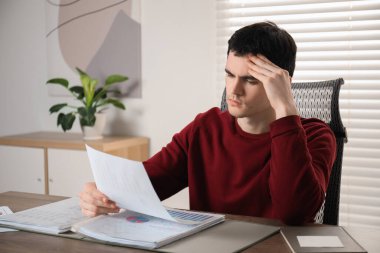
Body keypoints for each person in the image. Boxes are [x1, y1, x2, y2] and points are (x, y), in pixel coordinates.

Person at [79, 21, 336, 225]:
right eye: (229, 75)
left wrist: (286, 109)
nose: (233, 90)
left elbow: (293, 213)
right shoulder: (205, 128)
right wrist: (100, 192)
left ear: (281, 82)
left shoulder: (316, 136)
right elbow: (143, 186)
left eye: (250, 80)